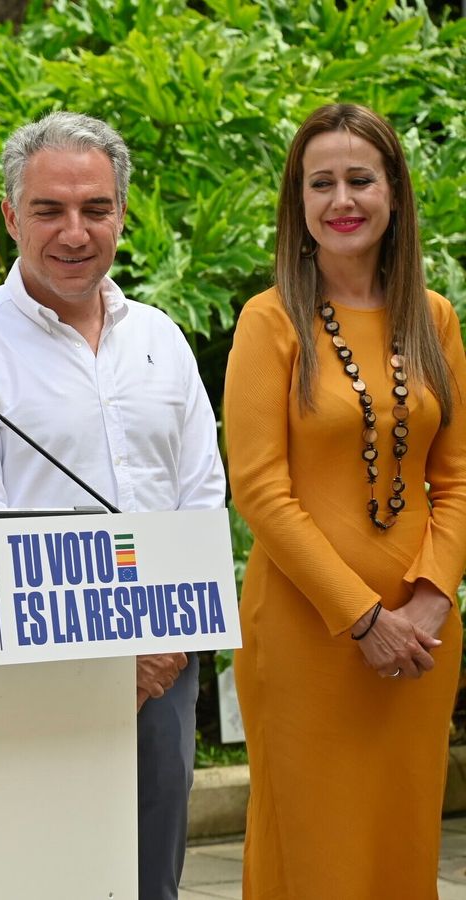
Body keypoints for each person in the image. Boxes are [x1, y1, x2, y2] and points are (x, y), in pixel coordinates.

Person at [0, 111, 225, 900]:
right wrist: (101, 660)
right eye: (49, 210)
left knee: (153, 878)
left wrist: (159, 651)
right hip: (33, 675)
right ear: (13, 216)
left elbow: (202, 501)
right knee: (42, 876)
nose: (74, 232)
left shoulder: (161, 340)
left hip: (166, 666)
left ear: (122, 213)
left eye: (95, 209)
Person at [223, 103, 466, 898]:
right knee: (314, 851)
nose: (341, 200)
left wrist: (429, 601)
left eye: (359, 179)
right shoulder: (270, 322)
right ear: (298, 205)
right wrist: (362, 616)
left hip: (422, 644)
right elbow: (259, 489)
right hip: (306, 638)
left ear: (393, 191)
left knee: (400, 843)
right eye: (319, 183)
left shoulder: (433, 320)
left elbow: (458, 478)